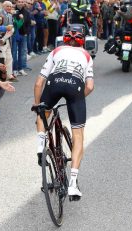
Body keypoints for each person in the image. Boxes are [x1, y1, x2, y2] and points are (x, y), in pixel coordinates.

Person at [33, 27, 94, 199]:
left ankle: (40, 145)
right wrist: (76, 100)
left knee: (43, 113)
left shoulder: (56, 50)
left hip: (54, 82)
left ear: (65, 40)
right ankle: (73, 184)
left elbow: (39, 83)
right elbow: (89, 86)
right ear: (83, 41)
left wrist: (37, 106)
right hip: (75, 86)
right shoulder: (86, 55)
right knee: (78, 135)